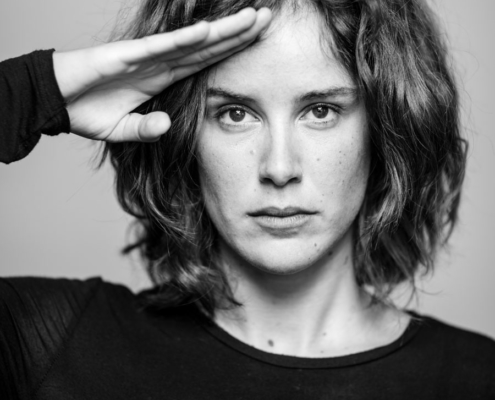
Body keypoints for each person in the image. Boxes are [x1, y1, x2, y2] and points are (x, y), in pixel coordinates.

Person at [0, 0, 494, 398]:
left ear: (386, 130)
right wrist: (36, 90)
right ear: (186, 136)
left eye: (321, 110)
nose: (278, 168)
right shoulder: (48, 342)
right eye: (235, 114)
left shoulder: (477, 379)